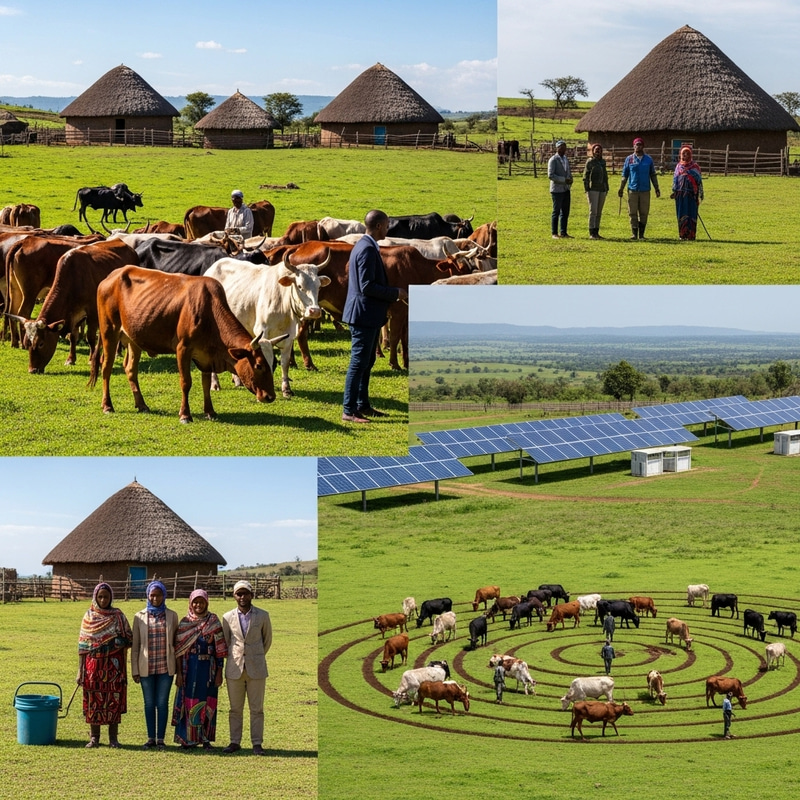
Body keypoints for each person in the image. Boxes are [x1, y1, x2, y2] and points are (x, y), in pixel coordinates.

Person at [341, 209, 407, 423]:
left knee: (367, 361)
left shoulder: (365, 245)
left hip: (366, 314)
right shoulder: (368, 249)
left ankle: (362, 405)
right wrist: (396, 293)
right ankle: (349, 410)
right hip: (363, 315)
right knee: (358, 362)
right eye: (387, 224)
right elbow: (367, 286)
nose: (388, 228)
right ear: (378, 226)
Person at [77, 582, 132, 748]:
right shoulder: (89, 617)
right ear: (95, 597)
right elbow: (83, 647)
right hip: (93, 665)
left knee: (113, 699)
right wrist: (80, 671)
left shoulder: (118, 616)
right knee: (94, 699)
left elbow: (129, 637)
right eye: (100, 596)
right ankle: (94, 737)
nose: (103, 599)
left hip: (114, 665)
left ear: (111, 598)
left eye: (106, 597)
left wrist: (116, 641)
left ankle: (113, 738)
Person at [172, 589, 228, 750]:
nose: (198, 605)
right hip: (188, 669)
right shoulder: (184, 623)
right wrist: (179, 674)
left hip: (208, 671)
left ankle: (205, 739)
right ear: (190, 603)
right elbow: (179, 651)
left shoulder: (214, 621)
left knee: (208, 702)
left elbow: (220, 650)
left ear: (206, 603)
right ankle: (187, 739)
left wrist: (219, 673)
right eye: (195, 602)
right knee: (188, 701)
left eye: (201, 602)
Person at [222, 580, 273, 755]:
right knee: (235, 708)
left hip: (256, 668)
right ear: (234, 596)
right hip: (234, 668)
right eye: (239, 594)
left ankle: (257, 743)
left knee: (256, 709)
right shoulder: (227, 617)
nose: (242, 597)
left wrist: (255, 656)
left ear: (251, 594)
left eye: (245, 593)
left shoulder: (263, 616)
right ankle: (234, 741)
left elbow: (267, 641)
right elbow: (227, 642)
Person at [131, 580, 179, 750]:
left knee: (162, 702)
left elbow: (176, 644)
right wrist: (135, 670)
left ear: (164, 595)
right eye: (152, 595)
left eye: (158, 595)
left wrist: (178, 670)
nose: (155, 598)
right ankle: (151, 737)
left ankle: (161, 739)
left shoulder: (172, 616)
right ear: (147, 595)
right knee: (149, 703)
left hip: (166, 667)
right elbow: (135, 646)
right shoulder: (139, 616)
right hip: (146, 667)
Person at [618, 137, 661, 239]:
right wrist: (621, 188)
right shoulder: (629, 159)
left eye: (640, 145)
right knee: (632, 212)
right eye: (636, 145)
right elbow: (625, 175)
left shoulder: (648, 160)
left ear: (643, 146)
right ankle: (634, 233)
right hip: (632, 190)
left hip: (645, 190)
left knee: (644, 212)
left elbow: (653, 175)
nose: (638, 146)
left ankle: (641, 234)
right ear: (633, 146)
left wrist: (657, 188)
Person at [671, 145, 704, 240]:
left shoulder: (695, 167)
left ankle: (691, 235)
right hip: (680, 195)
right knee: (681, 213)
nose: (685, 155)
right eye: (683, 153)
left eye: (687, 153)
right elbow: (675, 180)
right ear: (680, 155)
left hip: (691, 195)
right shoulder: (678, 166)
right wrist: (674, 191)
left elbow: (699, 181)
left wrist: (698, 194)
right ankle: (682, 234)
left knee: (691, 213)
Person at [583, 143, 609, 239]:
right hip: (592, 189)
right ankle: (591, 232)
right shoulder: (590, 162)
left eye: (599, 149)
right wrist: (587, 189)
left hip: (602, 189)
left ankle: (596, 231)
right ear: (593, 151)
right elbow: (585, 176)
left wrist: (607, 188)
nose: (598, 151)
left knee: (599, 212)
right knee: (593, 211)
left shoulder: (603, 162)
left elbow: (605, 175)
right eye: (596, 149)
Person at [548, 140, 573, 238]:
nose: (563, 149)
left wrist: (570, 179)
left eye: (564, 147)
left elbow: (568, 171)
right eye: (561, 147)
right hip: (557, 190)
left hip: (566, 189)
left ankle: (563, 232)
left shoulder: (566, 159)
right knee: (556, 211)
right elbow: (551, 175)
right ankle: (554, 233)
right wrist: (564, 180)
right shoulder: (553, 160)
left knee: (565, 212)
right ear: (557, 148)